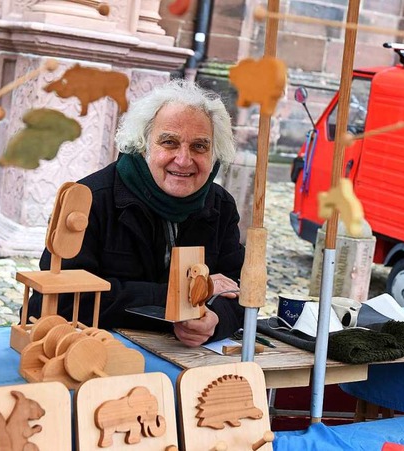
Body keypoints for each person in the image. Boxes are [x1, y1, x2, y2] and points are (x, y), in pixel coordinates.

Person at [26, 79, 245, 347]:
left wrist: (214, 321)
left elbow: (240, 293)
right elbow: (58, 302)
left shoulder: (220, 206)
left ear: (214, 153)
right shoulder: (89, 200)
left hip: (188, 360)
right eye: (169, 142)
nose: (184, 159)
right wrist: (181, 296)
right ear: (142, 145)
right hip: (97, 353)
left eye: (199, 146)